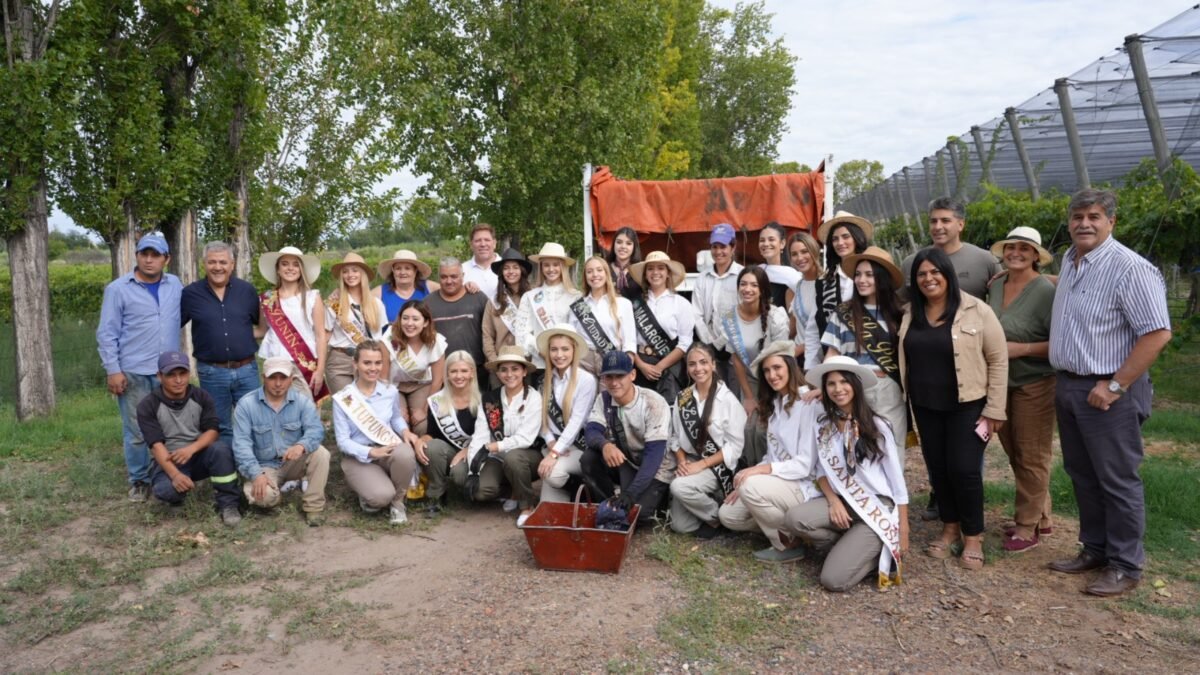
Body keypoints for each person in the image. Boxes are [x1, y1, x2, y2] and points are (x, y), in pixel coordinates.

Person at [1047, 189, 1172, 597]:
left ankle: (1125, 565)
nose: (1084, 223)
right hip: (1070, 385)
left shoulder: (1130, 269)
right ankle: (1096, 549)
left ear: (1111, 221)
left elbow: (1157, 333)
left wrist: (1116, 384)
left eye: (1094, 216)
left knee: (1117, 479)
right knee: (1083, 475)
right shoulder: (1071, 261)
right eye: (1077, 216)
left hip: (1108, 391)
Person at [899, 248, 1007, 570]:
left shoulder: (977, 310)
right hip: (925, 405)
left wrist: (995, 408)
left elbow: (998, 359)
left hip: (968, 405)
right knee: (938, 469)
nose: (929, 279)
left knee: (964, 469)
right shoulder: (910, 312)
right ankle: (950, 527)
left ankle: (973, 535)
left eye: (935, 272)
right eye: (922, 274)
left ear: (947, 273)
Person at [783, 356, 909, 591]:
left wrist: (903, 528)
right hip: (843, 500)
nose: (838, 389)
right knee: (794, 518)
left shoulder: (878, 426)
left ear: (856, 385)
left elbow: (897, 480)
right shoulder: (824, 425)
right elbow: (821, 471)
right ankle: (845, 544)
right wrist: (833, 501)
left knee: (833, 580)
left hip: (876, 506)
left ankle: (875, 554)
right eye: (831, 384)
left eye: (844, 382)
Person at [987, 227, 1058, 553]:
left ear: (1035, 256)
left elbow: (1062, 344)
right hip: (1002, 382)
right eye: (1011, 247)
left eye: (1024, 249)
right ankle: (1042, 516)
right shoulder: (997, 284)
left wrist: (1023, 349)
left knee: (1032, 454)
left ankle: (1027, 527)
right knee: (1014, 450)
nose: (1016, 253)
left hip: (1035, 381)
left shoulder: (1045, 291)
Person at [97, 232, 183, 501]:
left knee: (169, 427)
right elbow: (107, 333)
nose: (149, 259)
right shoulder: (117, 289)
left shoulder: (175, 285)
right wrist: (113, 370)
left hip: (167, 370)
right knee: (136, 430)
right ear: (136, 256)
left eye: (155, 255)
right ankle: (139, 479)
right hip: (133, 371)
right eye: (144, 254)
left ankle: (166, 473)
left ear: (166, 259)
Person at [717, 341, 821, 563]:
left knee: (750, 487)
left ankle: (787, 544)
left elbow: (805, 465)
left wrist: (755, 478)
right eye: (766, 371)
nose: (772, 375)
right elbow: (771, 456)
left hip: (804, 485)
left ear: (790, 367)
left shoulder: (808, 403)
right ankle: (793, 530)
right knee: (728, 515)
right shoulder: (776, 404)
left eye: (777, 368)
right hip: (780, 481)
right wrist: (750, 476)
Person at [821, 246, 908, 456]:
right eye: (858, 274)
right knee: (856, 450)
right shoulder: (843, 312)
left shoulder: (900, 314)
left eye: (869, 275)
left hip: (888, 390)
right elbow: (832, 354)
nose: (862, 280)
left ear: (882, 278)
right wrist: (824, 384)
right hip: (852, 389)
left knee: (892, 450)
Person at [137, 351, 241, 527]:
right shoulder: (148, 405)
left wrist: (191, 449)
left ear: (188, 373)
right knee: (165, 491)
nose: (178, 380)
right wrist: (175, 475)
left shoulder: (201, 396)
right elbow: (156, 445)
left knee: (221, 449)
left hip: (198, 454)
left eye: (182, 373)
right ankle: (178, 495)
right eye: (171, 375)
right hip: (170, 459)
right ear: (159, 376)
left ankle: (229, 504)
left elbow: (213, 431)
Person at [232, 356, 331, 526]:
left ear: (291, 379)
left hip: (293, 461)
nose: (278, 383)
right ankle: (273, 496)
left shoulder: (302, 402)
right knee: (263, 497)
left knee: (321, 454)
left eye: (283, 378)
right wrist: (256, 474)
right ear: (263, 378)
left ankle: (313, 508)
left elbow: (316, 430)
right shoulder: (246, 405)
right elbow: (241, 445)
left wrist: (301, 445)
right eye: (272, 377)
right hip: (263, 465)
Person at [332, 341, 421, 525]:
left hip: (386, 448)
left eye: (378, 363)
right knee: (381, 497)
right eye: (367, 363)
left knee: (405, 453)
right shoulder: (344, 398)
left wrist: (405, 431)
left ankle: (398, 502)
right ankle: (372, 491)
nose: (373, 368)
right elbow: (342, 441)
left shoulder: (390, 391)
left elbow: (395, 418)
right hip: (358, 457)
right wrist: (371, 452)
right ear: (355, 364)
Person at [181, 240, 261, 447]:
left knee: (255, 422)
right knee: (220, 426)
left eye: (223, 262)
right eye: (212, 262)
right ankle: (227, 466)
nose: (218, 267)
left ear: (232, 264)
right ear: (204, 264)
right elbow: (173, 325)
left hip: (247, 370)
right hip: (212, 373)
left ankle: (253, 465)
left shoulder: (247, 291)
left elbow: (261, 325)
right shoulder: (190, 294)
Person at [581, 351, 675, 524]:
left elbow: (654, 457)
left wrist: (631, 494)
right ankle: (609, 503)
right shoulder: (604, 398)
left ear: (632, 375)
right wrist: (605, 445)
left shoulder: (653, 402)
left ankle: (659, 499)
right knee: (589, 458)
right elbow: (592, 431)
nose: (614, 382)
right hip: (630, 461)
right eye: (609, 377)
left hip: (657, 466)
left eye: (620, 376)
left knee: (638, 515)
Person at [668, 342, 746, 538]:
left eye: (703, 362)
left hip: (718, 465)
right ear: (687, 368)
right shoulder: (682, 397)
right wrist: (682, 461)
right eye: (692, 364)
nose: (698, 368)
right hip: (691, 461)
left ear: (713, 365)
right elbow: (675, 436)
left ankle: (718, 517)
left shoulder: (728, 400)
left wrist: (701, 465)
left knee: (678, 486)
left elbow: (734, 448)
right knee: (681, 526)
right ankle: (712, 505)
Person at [464, 346, 544, 526]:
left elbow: (525, 439)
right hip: (498, 458)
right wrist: (473, 471)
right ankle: (511, 491)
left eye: (515, 369)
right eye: (504, 369)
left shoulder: (533, 398)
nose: (509, 374)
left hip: (528, 457)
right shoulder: (490, 399)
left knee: (513, 458)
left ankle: (527, 506)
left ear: (524, 372)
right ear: (498, 373)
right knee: (480, 491)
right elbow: (480, 436)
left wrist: (496, 446)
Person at [535, 324, 599, 503]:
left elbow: (577, 421)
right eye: (554, 349)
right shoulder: (543, 381)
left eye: (565, 349)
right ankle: (572, 492)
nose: (559, 354)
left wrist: (554, 453)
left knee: (551, 473)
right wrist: (550, 442)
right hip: (553, 446)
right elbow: (540, 419)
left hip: (577, 447)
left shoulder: (586, 380)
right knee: (549, 513)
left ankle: (584, 490)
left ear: (574, 350)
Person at [413, 351, 481, 514]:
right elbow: (432, 434)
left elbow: (487, 438)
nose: (459, 376)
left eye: (464, 371)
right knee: (431, 446)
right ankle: (436, 495)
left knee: (459, 476)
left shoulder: (482, 401)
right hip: (448, 451)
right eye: (454, 371)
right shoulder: (437, 401)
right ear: (447, 375)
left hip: (472, 453)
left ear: (472, 373)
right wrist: (420, 441)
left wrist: (468, 450)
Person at [257, 246, 328, 401]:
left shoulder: (312, 297)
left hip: (305, 363)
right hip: (276, 360)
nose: (290, 268)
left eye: (296, 264)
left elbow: (320, 335)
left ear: (301, 270)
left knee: (307, 408)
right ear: (277, 269)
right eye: (285, 264)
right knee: (276, 407)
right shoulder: (267, 299)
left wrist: (320, 369)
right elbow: (262, 331)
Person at [804, 212, 872, 368]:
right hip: (835, 359)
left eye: (845, 236)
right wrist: (810, 366)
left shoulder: (874, 274)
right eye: (835, 239)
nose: (840, 242)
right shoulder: (824, 282)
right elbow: (814, 328)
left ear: (857, 238)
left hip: (871, 359)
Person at [718, 266, 790, 412]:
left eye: (754, 285)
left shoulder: (776, 317)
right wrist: (749, 397)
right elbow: (737, 360)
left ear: (762, 290)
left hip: (778, 378)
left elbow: (783, 358)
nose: (747, 289)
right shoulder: (730, 318)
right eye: (743, 284)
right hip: (750, 382)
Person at [901, 196, 1001, 300]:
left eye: (945, 221)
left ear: (960, 225)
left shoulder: (985, 260)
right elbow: (900, 303)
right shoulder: (911, 263)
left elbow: (1003, 299)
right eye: (933, 221)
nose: (937, 227)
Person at [628, 250, 694, 403]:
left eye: (660, 268)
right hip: (640, 365)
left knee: (669, 410)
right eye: (650, 268)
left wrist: (659, 367)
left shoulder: (681, 303)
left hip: (670, 366)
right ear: (645, 274)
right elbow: (628, 339)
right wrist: (641, 365)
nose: (655, 272)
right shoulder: (634, 304)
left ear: (668, 273)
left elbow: (685, 343)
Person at [324, 252, 389, 395]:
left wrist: (383, 367)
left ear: (362, 274)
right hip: (339, 361)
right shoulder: (334, 302)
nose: (350, 275)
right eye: (345, 271)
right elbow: (325, 335)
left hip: (368, 361)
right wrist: (318, 364)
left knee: (368, 404)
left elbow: (382, 339)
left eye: (355, 270)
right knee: (347, 404)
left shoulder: (376, 304)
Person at [381, 300, 447, 435]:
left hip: (421, 385)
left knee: (422, 425)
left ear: (426, 322)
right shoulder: (389, 337)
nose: (409, 323)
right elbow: (383, 379)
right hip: (394, 386)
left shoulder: (436, 341)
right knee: (399, 424)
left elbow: (437, 381)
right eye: (405, 318)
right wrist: (394, 407)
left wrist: (424, 410)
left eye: (415, 319)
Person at [515, 242, 581, 372]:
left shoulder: (576, 297)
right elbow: (521, 334)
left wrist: (563, 353)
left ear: (563, 266)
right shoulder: (529, 297)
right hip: (540, 364)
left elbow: (580, 332)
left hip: (569, 365)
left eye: (555, 264)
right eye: (546, 265)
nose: (551, 269)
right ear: (541, 267)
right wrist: (543, 352)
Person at [426, 256, 491, 387]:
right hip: (443, 373)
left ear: (463, 276)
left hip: (477, 371)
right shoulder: (428, 303)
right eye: (444, 277)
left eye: (454, 276)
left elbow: (490, 331)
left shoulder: (478, 298)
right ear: (438, 278)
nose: (449, 281)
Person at [692, 223, 744, 385]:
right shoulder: (703, 277)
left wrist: (722, 341)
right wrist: (710, 343)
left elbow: (742, 312)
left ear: (733, 247)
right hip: (709, 348)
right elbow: (696, 314)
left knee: (737, 391)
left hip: (736, 347)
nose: (718, 252)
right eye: (714, 247)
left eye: (723, 247)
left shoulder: (742, 275)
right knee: (713, 392)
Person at [569, 255, 637, 373]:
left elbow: (629, 341)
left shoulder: (623, 304)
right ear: (585, 276)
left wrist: (627, 367)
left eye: (599, 270)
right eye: (589, 271)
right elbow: (571, 339)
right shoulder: (578, 305)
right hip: (582, 360)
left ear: (607, 274)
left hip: (612, 359)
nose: (595, 274)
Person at [482, 248, 532, 371]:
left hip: (527, 362)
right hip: (500, 363)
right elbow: (487, 335)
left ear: (522, 270)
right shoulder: (494, 302)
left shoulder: (533, 297)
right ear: (501, 273)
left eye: (515, 267)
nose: (511, 272)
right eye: (506, 268)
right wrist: (495, 362)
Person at [787, 231, 824, 370]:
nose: (799, 258)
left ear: (814, 251)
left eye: (804, 251)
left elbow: (828, 330)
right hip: (798, 360)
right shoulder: (797, 286)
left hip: (817, 358)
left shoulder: (827, 284)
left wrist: (799, 349)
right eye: (794, 254)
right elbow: (794, 329)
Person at [373, 249, 439, 323]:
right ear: (393, 271)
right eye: (398, 268)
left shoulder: (429, 287)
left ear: (415, 270)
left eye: (407, 268)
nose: (402, 272)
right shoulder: (379, 292)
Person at [758, 223, 800, 309]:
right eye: (762, 240)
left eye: (771, 239)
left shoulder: (792, 276)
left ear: (782, 243)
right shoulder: (757, 272)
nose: (766, 244)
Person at [463, 223, 501, 299]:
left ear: (494, 243)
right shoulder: (461, 270)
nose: (483, 244)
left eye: (487, 240)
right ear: (471, 245)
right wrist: (463, 289)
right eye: (478, 241)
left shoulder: (508, 268)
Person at [606, 226, 644, 301]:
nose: (623, 246)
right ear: (614, 244)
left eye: (628, 243)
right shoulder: (604, 267)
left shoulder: (641, 269)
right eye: (619, 242)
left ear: (634, 247)